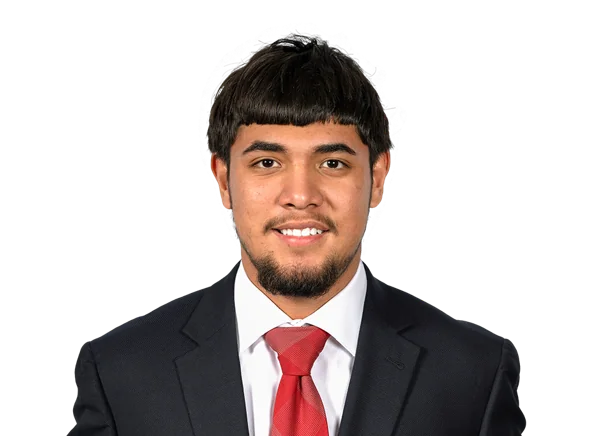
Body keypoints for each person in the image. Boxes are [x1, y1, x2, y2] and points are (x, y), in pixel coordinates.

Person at [71, 33, 526, 435]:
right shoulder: (119, 374)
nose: (301, 196)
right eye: (267, 163)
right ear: (223, 180)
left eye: (333, 163)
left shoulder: (474, 375)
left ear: (378, 178)